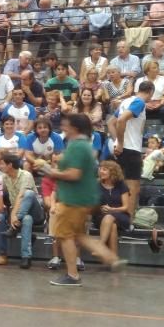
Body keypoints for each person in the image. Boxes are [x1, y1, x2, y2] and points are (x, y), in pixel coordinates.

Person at [36, 113, 126, 287]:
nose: (63, 128)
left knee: (65, 235)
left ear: (75, 128)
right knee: (79, 235)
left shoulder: (77, 146)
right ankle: (111, 258)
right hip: (82, 199)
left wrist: (50, 171)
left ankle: (73, 275)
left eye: (66, 125)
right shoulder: (83, 145)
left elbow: (74, 174)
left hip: (73, 199)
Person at [109, 80, 153, 216]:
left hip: (123, 150)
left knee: (121, 186)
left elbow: (110, 123)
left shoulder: (126, 101)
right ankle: (128, 221)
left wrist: (117, 142)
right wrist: (120, 143)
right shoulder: (139, 102)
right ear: (151, 92)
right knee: (132, 188)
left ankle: (120, 218)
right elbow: (121, 120)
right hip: (131, 149)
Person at [0, 152, 45, 269]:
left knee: (28, 193)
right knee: (27, 220)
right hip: (21, 212)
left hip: (35, 211)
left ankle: (13, 228)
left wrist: (14, 216)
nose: (0, 166)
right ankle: (26, 257)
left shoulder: (26, 175)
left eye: (2, 164)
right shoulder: (5, 177)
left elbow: (21, 196)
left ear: (10, 165)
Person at [95, 161, 131, 261]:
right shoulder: (96, 185)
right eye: (100, 169)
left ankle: (100, 245)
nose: (101, 171)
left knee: (110, 217)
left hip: (120, 215)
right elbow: (91, 205)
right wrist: (99, 208)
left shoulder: (121, 185)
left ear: (113, 172)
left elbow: (125, 207)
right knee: (113, 226)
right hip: (101, 216)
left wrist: (112, 209)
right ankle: (114, 260)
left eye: (104, 169)